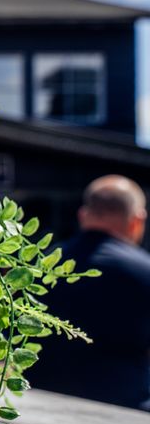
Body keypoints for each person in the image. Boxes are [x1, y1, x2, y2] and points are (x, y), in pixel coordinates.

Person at [27, 175, 150, 409]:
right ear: (137, 220)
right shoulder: (145, 271)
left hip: (42, 409)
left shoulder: (39, 267)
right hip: (128, 413)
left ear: (83, 215)